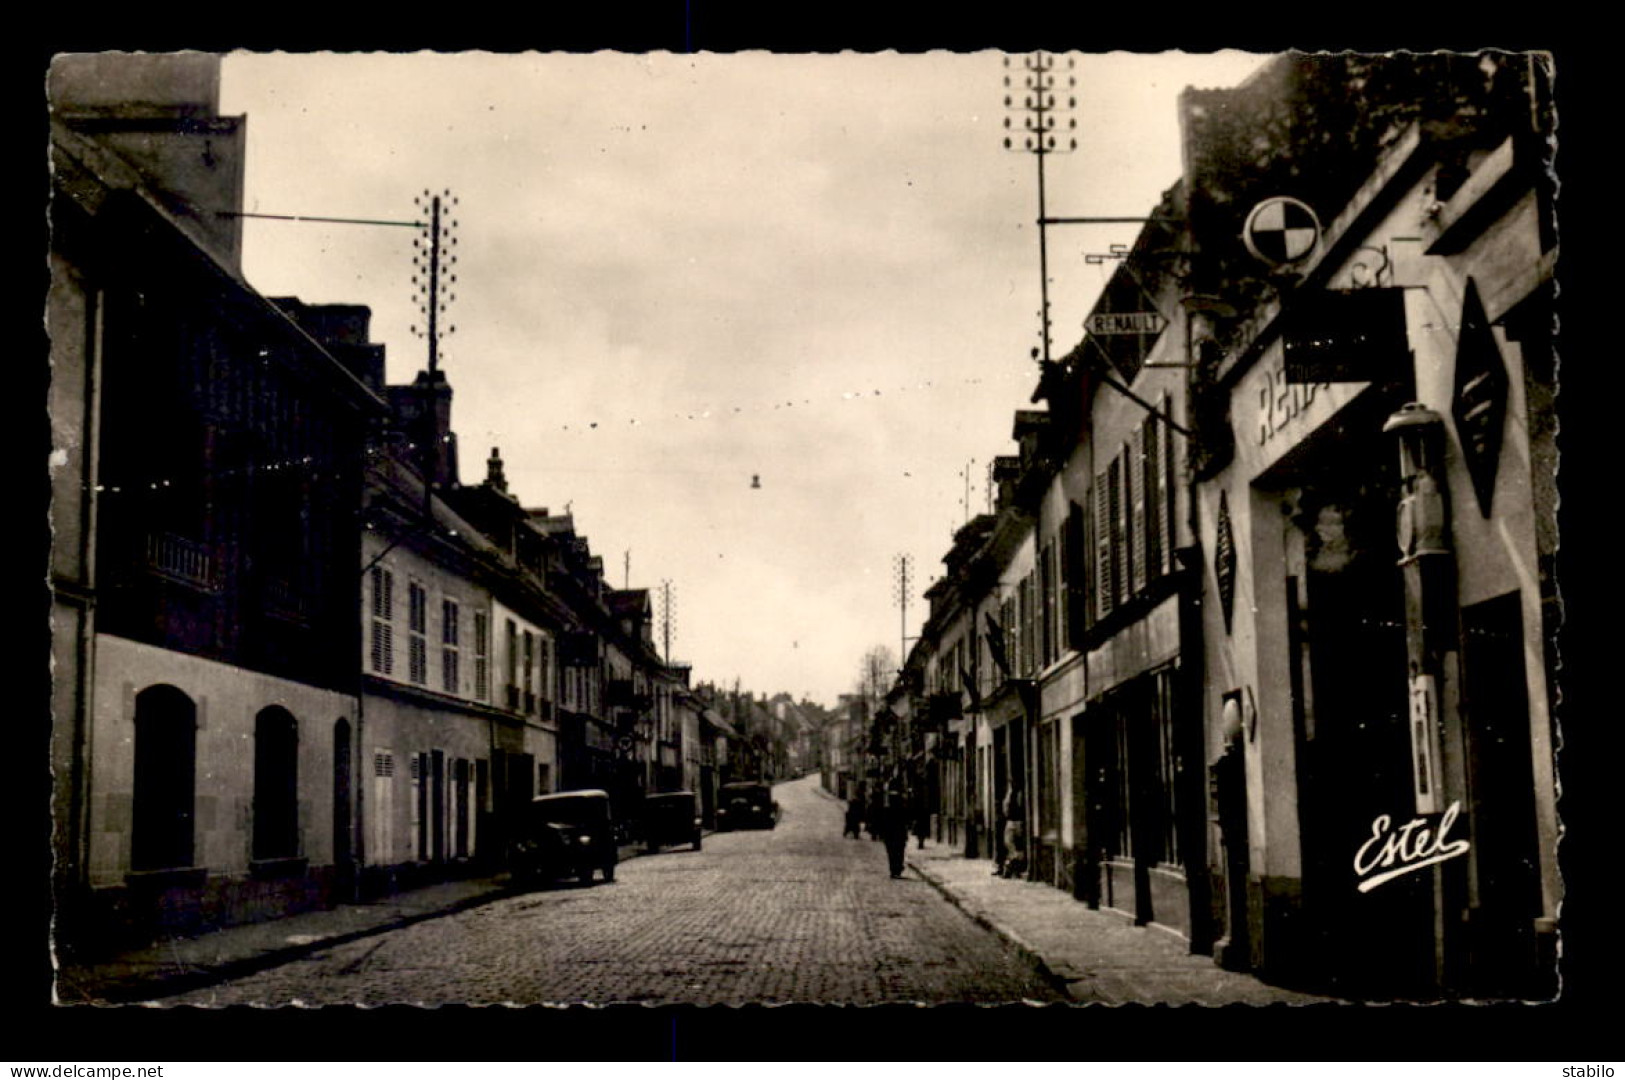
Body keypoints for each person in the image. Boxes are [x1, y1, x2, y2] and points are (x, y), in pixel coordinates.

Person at [880, 786, 910, 878]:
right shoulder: (902, 810)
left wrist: (883, 835)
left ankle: (894, 870)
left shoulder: (887, 810)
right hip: (898, 835)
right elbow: (906, 822)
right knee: (899, 852)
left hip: (891, 836)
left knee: (892, 853)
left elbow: (883, 823)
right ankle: (897, 869)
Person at [1000, 789, 1027, 879]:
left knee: (1011, 846)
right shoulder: (1016, 792)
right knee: (1014, 847)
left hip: (1013, 822)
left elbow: (1006, 808)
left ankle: (1010, 869)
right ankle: (1013, 869)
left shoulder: (1014, 793)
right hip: (1016, 822)